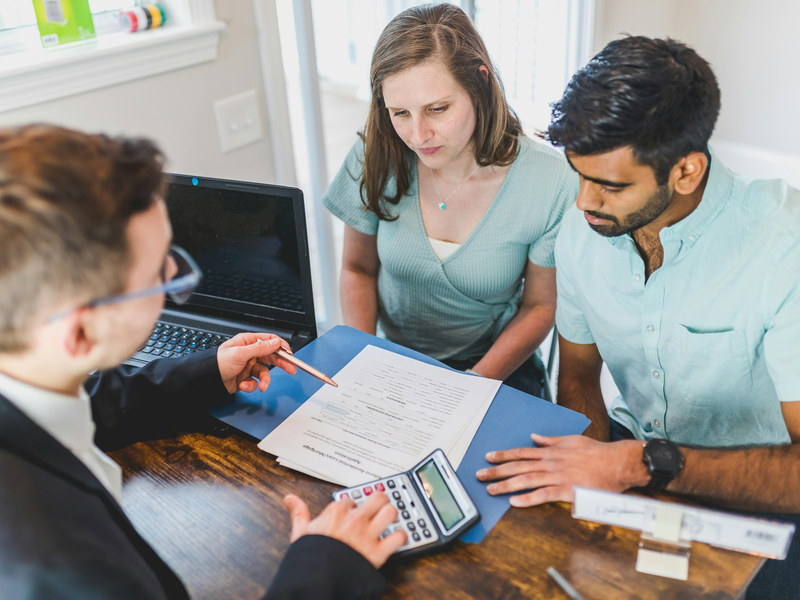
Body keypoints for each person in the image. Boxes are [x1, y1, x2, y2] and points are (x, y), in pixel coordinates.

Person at [0, 124, 406, 599]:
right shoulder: (61, 564)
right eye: (160, 274)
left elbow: (97, 400)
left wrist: (211, 369)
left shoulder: (31, 377)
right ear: (80, 333)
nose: (176, 276)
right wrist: (323, 568)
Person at [476, 37, 800, 598]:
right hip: (631, 455)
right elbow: (577, 374)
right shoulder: (587, 228)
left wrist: (633, 467)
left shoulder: (782, 249)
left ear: (686, 172)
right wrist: (590, 502)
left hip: (760, 490)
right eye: (579, 176)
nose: (582, 203)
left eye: (610, 185)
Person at [323, 4, 579, 400]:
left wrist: (469, 387)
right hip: (390, 361)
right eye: (400, 113)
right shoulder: (376, 154)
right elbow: (357, 268)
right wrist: (363, 359)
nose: (418, 134)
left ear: (480, 83)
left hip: (496, 368)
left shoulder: (550, 179)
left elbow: (540, 308)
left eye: (438, 109)